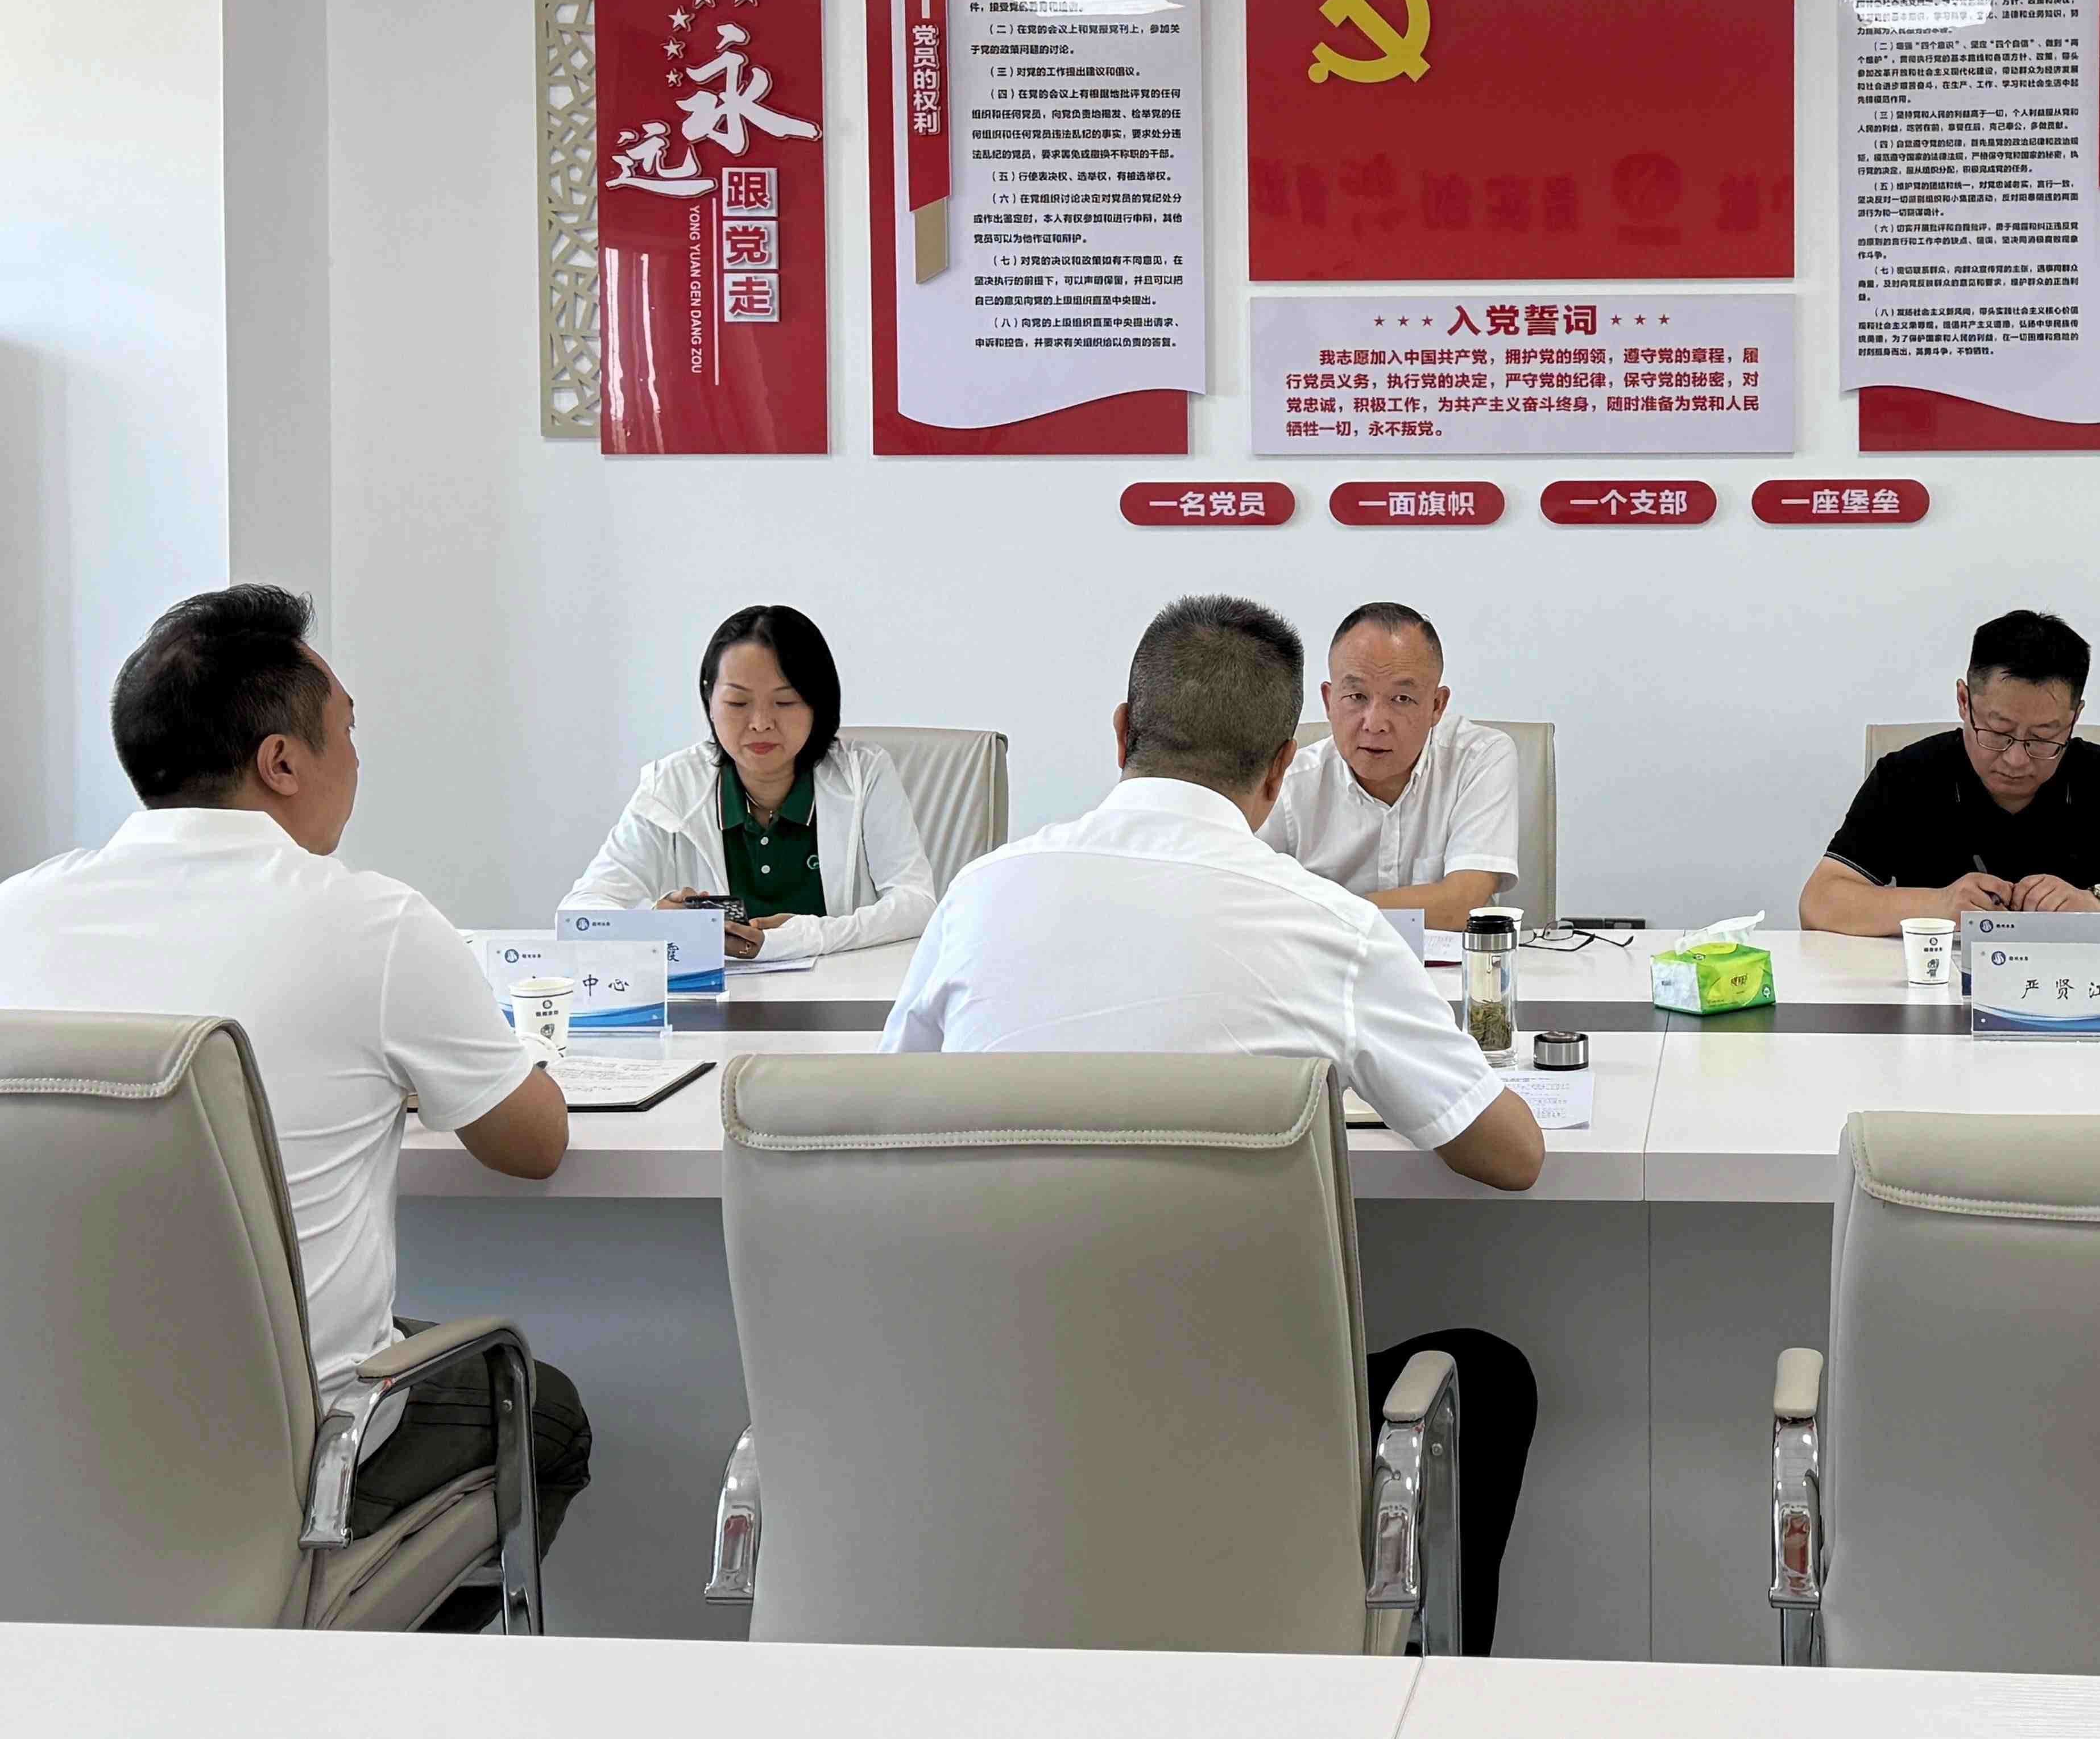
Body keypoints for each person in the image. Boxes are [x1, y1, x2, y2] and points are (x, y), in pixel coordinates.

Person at [883, 593, 1544, 1649]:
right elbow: (1512, 1155)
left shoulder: (981, 894)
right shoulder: (1331, 927)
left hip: (998, 1414)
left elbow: (893, 1120)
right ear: (1284, 766)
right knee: (1490, 1375)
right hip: (1243, 1433)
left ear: (1120, 733)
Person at [0, 586, 590, 1625]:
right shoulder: (371, 924)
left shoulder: (16, 915)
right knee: (546, 1412)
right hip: (298, 1459)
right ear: (281, 761)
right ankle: (357, 1661)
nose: (357, 761)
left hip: (42, 1448)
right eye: (348, 730)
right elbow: (532, 1143)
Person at [1798, 609, 2100, 939]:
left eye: (2044, 738)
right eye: (1998, 733)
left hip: (2078, 995)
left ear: (2074, 718)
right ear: (1964, 702)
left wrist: (2097, 907)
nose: (2017, 760)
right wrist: (1940, 906)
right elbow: (1820, 902)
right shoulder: (1907, 775)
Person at [565, 605, 935, 962]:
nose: (760, 723)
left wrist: (803, 937)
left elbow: (917, 904)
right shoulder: (672, 786)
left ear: (817, 704)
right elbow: (581, 914)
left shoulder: (864, 773)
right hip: (713, 999)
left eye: (785, 702)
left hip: (847, 992)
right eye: (738, 703)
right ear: (710, 700)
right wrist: (654, 924)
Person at [1261, 600, 1518, 940]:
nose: (1375, 723)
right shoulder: (1289, 783)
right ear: (1328, 701)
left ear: (1437, 706)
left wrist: (1316, 911)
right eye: (1356, 696)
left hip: (1452, 973)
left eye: (1401, 699)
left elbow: (1462, 904)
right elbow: (1249, 901)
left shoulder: (1479, 759)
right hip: (1324, 970)